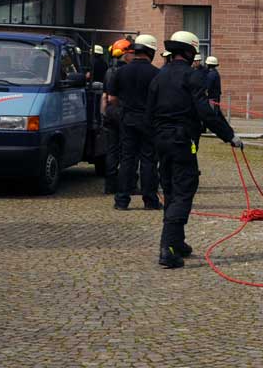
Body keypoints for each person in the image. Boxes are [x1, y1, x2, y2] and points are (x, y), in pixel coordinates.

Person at [149, 30, 243, 269]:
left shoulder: (159, 76)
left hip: (161, 140)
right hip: (182, 141)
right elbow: (206, 112)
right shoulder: (193, 77)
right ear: (191, 52)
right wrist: (229, 135)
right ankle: (168, 249)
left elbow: (148, 112)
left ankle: (177, 242)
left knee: (170, 189)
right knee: (183, 190)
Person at [113, 35, 162, 211]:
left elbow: (112, 98)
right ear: (151, 51)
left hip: (127, 120)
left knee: (127, 160)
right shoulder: (156, 73)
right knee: (148, 161)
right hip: (148, 121)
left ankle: (121, 200)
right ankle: (150, 200)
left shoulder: (121, 71)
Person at [101, 38, 133, 194]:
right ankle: (128, 185)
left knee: (111, 151)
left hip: (110, 114)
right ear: (125, 54)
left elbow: (105, 96)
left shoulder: (109, 71)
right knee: (127, 151)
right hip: (123, 112)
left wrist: (103, 114)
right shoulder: (126, 72)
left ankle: (109, 185)